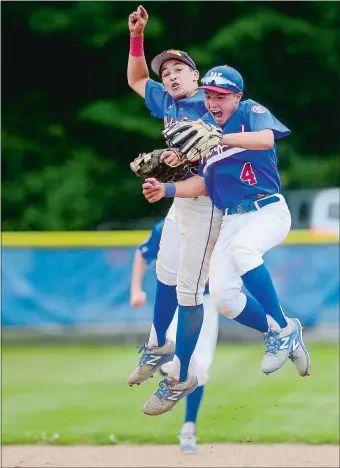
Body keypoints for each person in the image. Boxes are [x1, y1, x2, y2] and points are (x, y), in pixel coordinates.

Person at [142, 65, 311, 400]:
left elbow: (265, 140)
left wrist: (220, 137)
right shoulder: (203, 132)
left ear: (236, 96)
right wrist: (167, 190)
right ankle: (284, 330)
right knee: (222, 298)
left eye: (220, 95)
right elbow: (203, 184)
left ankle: (282, 328)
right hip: (231, 219)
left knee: (243, 252)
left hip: (267, 209)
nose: (213, 100)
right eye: (208, 95)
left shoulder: (250, 112)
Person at [127, 5, 223, 416]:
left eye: (178, 69)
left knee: (188, 291)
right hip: (181, 201)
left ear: (195, 75)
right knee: (163, 272)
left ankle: (181, 375)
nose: (170, 74)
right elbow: (135, 78)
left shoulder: (212, 102)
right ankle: (157, 346)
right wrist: (136, 36)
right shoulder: (166, 102)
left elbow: (233, 128)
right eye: (166, 71)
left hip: (210, 204)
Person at [130, 219, 219, 453]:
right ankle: (168, 366)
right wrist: (136, 290)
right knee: (181, 357)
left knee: (200, 370)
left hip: (206, 302)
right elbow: (142, 253)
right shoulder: (168, 225)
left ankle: (188, 429)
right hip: (177, 302)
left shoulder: (216, 219)